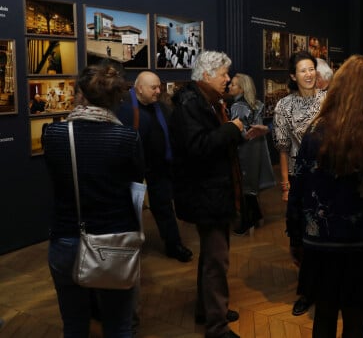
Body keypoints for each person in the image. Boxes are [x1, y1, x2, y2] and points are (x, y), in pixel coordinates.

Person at [286, 54, 363, 338]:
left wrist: (294, 233)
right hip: (361, 244)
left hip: (319, 241)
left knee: (323, 317)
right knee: (355, 320)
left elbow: (298, 184)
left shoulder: (315, 129)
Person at [43, 64, 145, 337]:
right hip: (115, 241)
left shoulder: (53, 135)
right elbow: (135, 180)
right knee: (119, 327)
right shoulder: (127, 137)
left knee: (74, 326)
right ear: (114, 99)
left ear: (80, 95)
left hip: (66, 239)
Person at [169, 50, 244, 338]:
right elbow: (197, 147)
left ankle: (208, 309)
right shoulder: (191, 105)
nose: (228, 79)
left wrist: (236, 133)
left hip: (212, 193)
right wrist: (230, 130)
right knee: (217, 260)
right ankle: (217, 326)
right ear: (206, 75)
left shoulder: (206, 101)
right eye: (224, 73)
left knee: (212, 257)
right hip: (206, 195)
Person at [117, 70, 193, 263]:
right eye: (154, 87)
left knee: (164, 206)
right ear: (139, 88)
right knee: (128, 208)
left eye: (159, 86)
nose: (159, 91)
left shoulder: (162, 106)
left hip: (159, 165)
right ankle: (125, 248)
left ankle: (173, 244)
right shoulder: (123, 107)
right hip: (131, 167)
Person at [272, 51, 326, 317]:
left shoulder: (329, 101)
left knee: (325, 232)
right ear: (293, 76)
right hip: (299, 178)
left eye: (312, 69)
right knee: (301, 235)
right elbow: (282, 149)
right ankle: (307, 291)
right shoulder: (283, 106)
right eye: (303, 70)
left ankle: (326, 288)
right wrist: (285, 185)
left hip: (328, 176)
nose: (308, 74)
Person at [228, 73, 275, 235]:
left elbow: (238, 132)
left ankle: (250, 220)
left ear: (241, 88)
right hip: (256, 148)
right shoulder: (256, 104)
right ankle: (256, 216)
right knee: (251, 185)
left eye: (233, 85)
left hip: (244, 150)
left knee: (243, 185)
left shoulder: (238, 107)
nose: (229, 86)